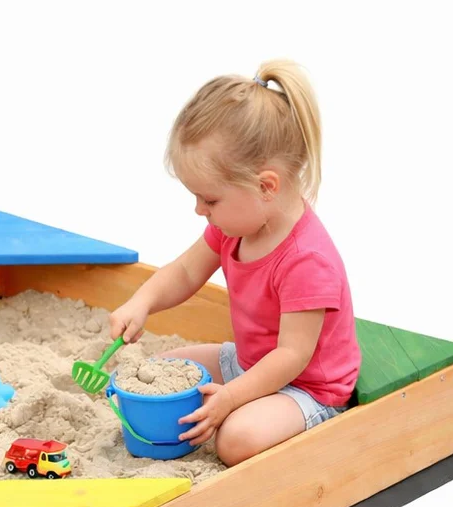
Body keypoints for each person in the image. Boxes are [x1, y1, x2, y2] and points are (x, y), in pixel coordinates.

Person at [110, 61, 360, 466]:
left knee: (235, 440)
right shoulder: (235, 227)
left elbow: (291, 356)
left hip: (306, 387)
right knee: (160, 373)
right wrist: (142, 301)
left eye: (210, 199)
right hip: (247, 362)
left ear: (265, 186)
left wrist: (230, 398)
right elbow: (186, 271)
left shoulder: (307, 260)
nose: (199, 209)